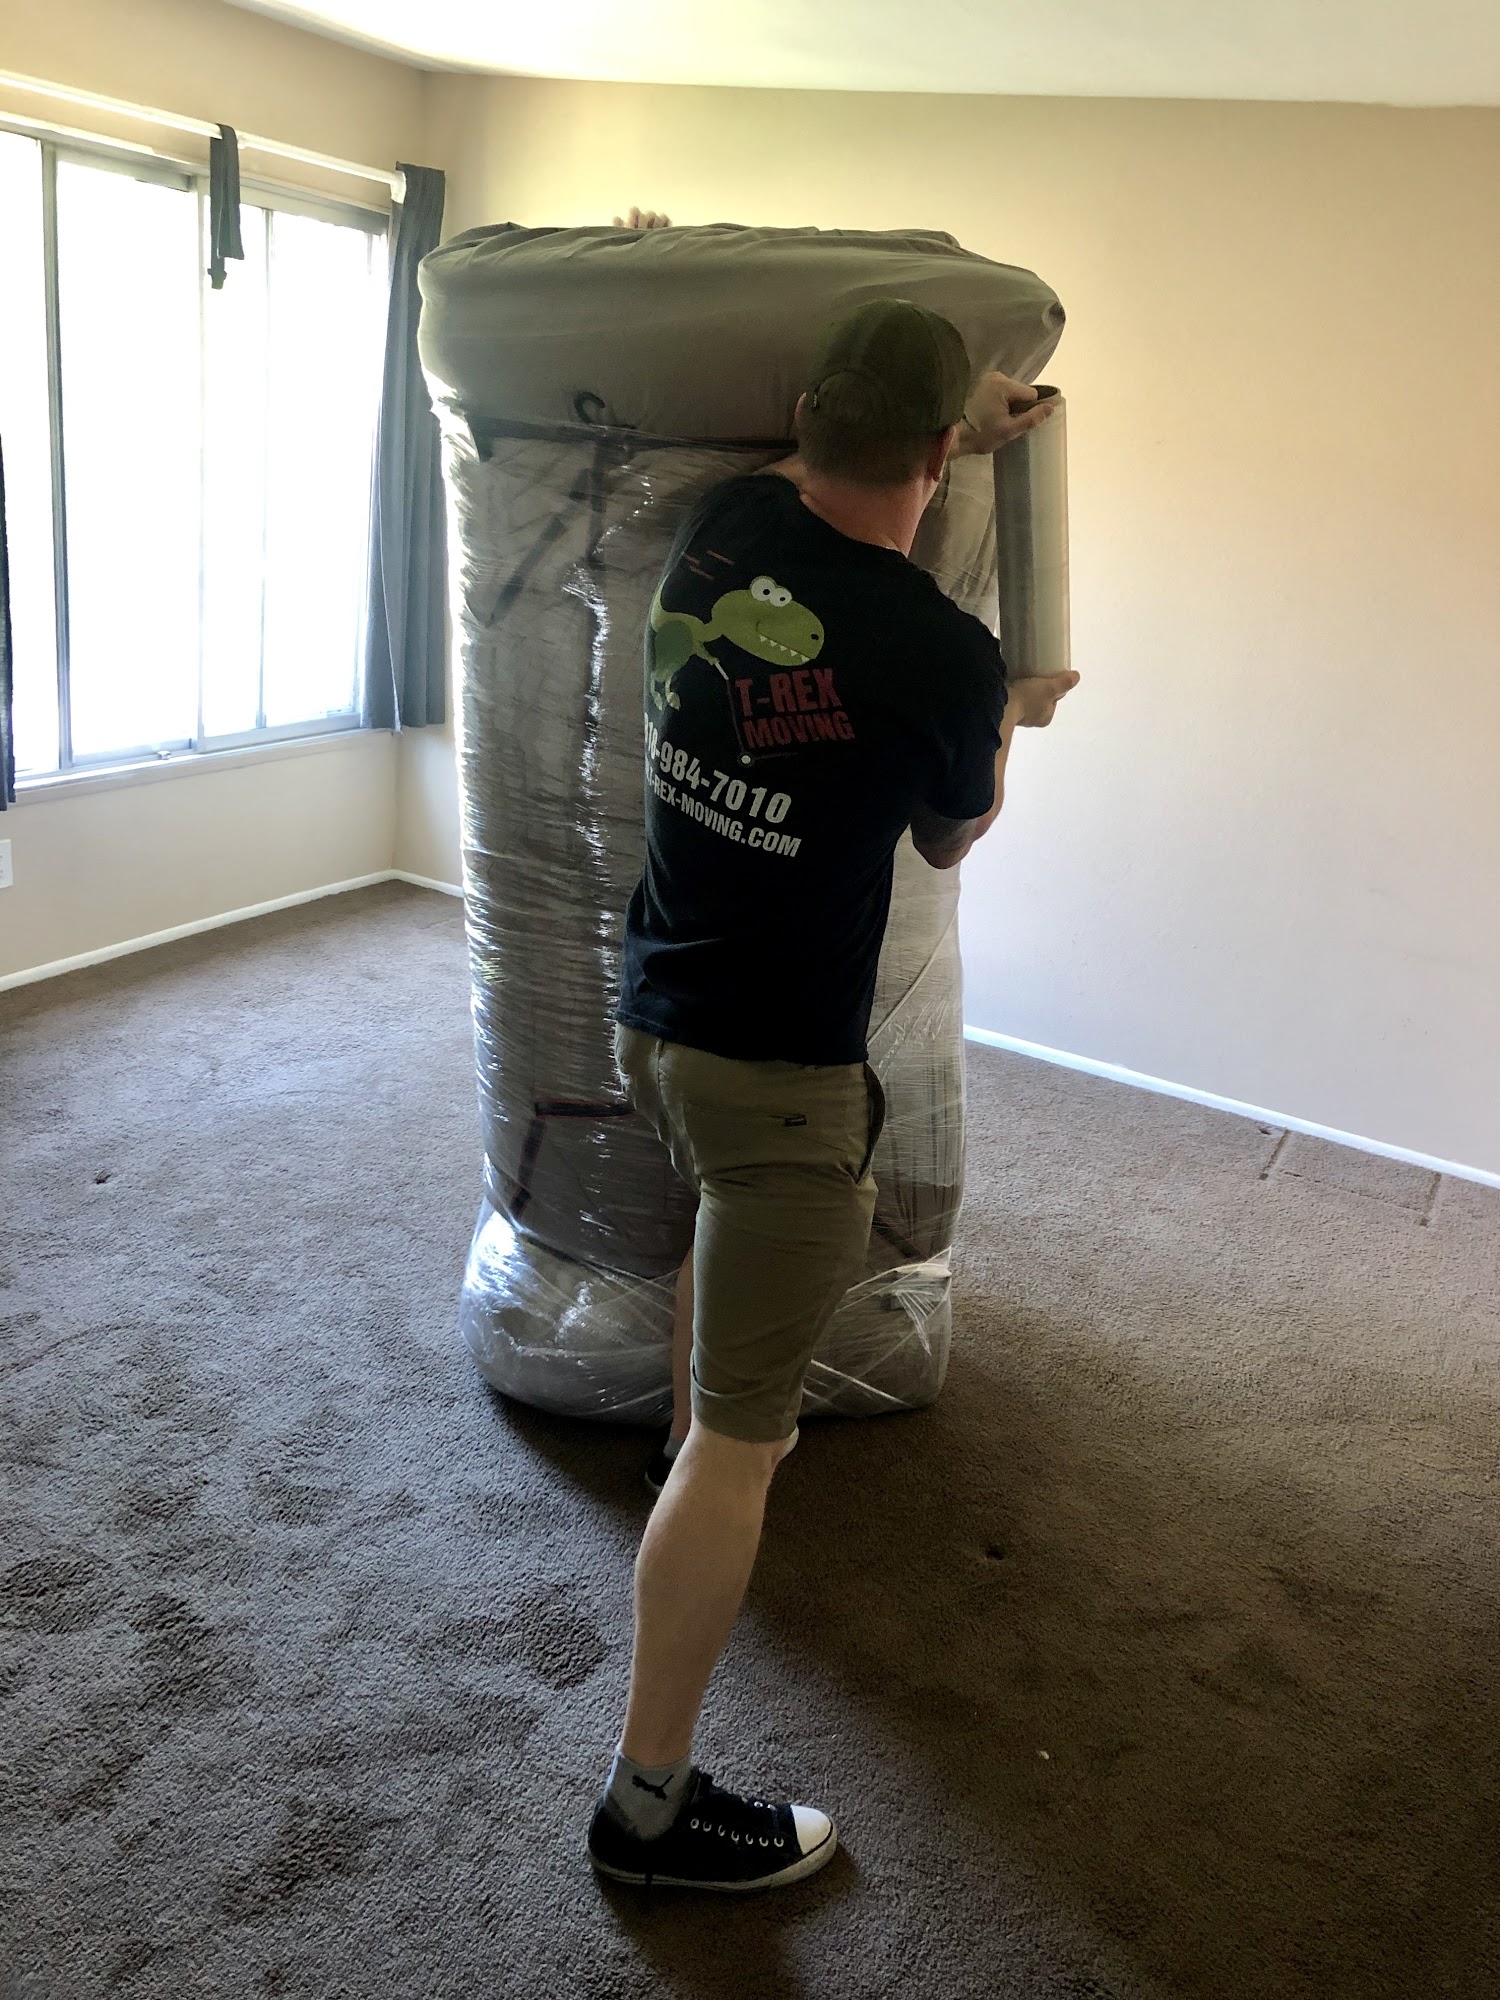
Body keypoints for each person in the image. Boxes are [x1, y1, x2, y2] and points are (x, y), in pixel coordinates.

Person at [588, 241, 1080, 1892]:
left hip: (653, 1017)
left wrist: (950, 417)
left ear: (805, 414)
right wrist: (1013, 709)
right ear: (941, 455)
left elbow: (846, 479)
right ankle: (649, 1810)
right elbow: (948, 834)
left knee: (709, 1260)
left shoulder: (722, 529)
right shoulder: (940, 651)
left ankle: (683, 1461)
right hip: (782, 1083)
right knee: (751, 1446)